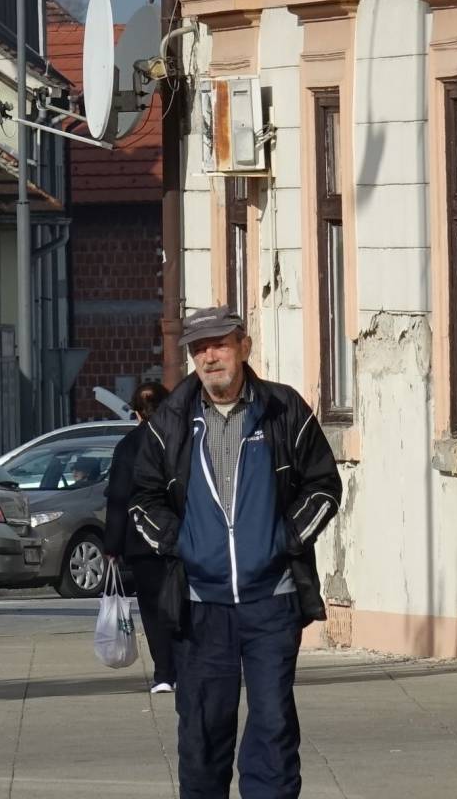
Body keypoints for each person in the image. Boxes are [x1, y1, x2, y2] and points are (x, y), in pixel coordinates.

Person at [130, 306, 342, 799]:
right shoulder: (171, 420)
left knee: (273, 725)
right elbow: (142, 498)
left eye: (219, 345)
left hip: (272, 599)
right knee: (202, 733)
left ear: (243, 347)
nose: (210, 357)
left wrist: (285, 540)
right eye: (199, 349)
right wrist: (181, 544)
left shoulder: (283, 409)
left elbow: (323, 485)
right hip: (200, 604)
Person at [103, 381, 176, 693]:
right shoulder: (181, 438)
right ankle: (188, 666)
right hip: (181, 538)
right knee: (186, 602)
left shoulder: (128, 446)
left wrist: (112, 544)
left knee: (152, 607)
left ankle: (165, 673)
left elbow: (118, 497)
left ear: (136, 413)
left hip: (141, 540)